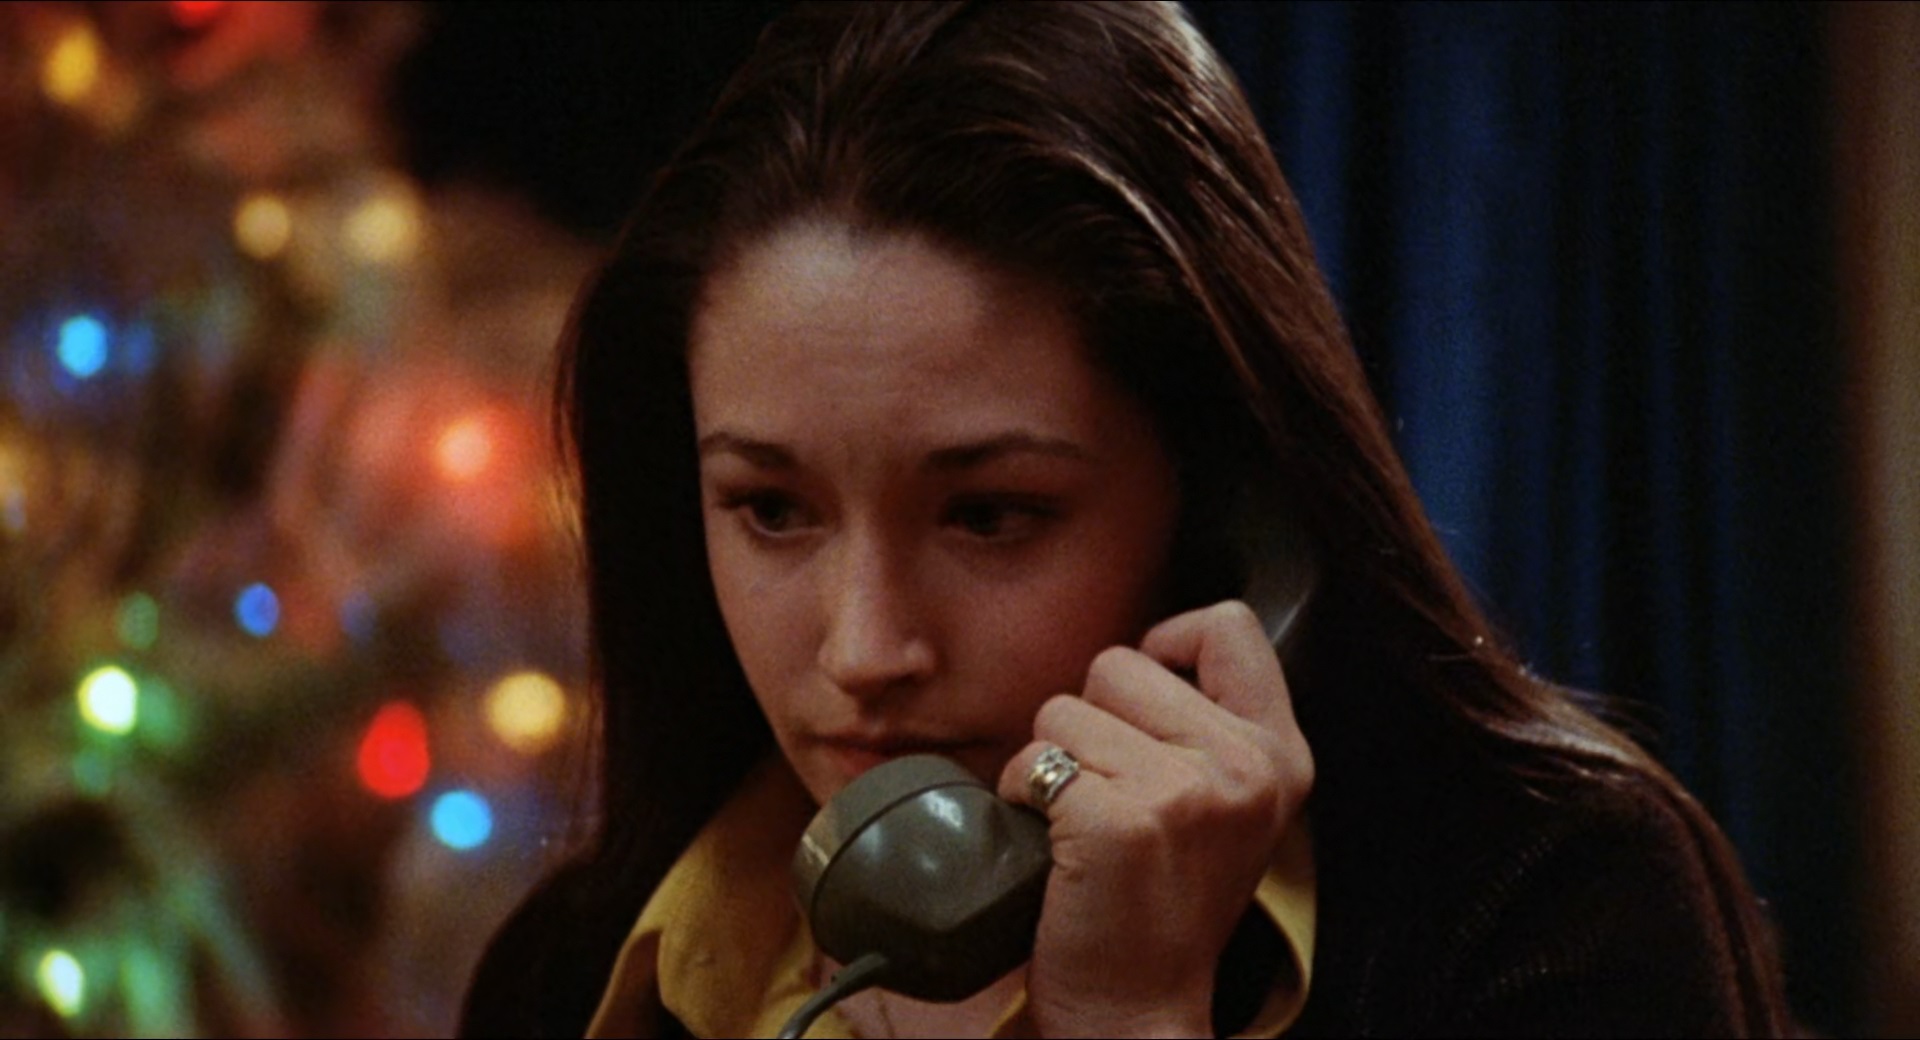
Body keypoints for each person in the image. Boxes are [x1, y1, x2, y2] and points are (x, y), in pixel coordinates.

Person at [461, 2, 1791, 1037]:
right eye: (770, 510)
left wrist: (1133, 1016)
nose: (865, 650)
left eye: (990, 516)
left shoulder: (1547, 909)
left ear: (1224, 514)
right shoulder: (574, 974)